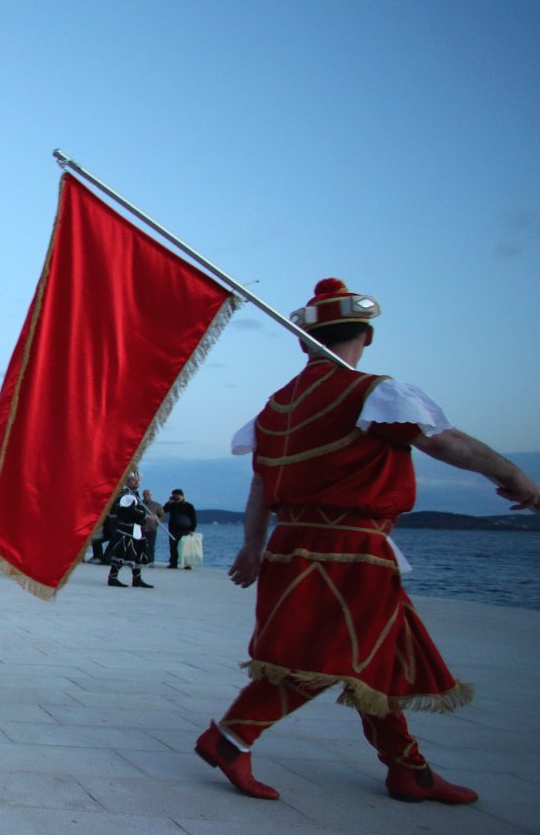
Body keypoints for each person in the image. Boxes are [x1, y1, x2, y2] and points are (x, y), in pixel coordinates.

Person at [196, 278, 540, 805]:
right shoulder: (370, 392)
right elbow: (446, 442)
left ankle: (408, 768)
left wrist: (252, 546)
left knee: (379, 660)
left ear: (304, 341)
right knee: (327, 655)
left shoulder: (275, 410)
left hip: (293, 545)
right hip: (350, 551)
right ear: (367, 336)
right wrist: (517, 478)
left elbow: (261, 487)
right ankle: (231, 737)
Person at [105, 471, 153, 588]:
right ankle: (113, 578)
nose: (137, 482)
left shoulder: (134, 494)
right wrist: (145, 515)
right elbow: (128, 511)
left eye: (138, 480)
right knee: (121, 552)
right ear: (127, 481)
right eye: (133, 480)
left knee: (138, 554)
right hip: (126, 528)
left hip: (136, 529)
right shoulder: (125, 494)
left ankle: (137, 579)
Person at [162, 488, 197, 569]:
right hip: (173, 529)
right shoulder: (172, 505)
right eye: (174, 496)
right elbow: (163, 510)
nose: (176, 498)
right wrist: (169, 502)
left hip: (186, 530)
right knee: (173, 547)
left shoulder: (189, 506)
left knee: (186, 548)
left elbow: (193, 518)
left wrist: (192, 529)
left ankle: (187, 564)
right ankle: (173, 563)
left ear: (182, 496)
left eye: (177, 496)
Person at [140, 488, 164, 565]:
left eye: (148, 494)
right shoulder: (139, 504)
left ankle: (151, 560)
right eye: (145, 494)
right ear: (142, 495)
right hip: (141, 528)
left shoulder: (156, 505)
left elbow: (162, 516)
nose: (146, 495)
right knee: (141, 545)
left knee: (151, 545)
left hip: (151, 528)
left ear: (150, 495)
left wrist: (157, 521)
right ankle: (142, 560)